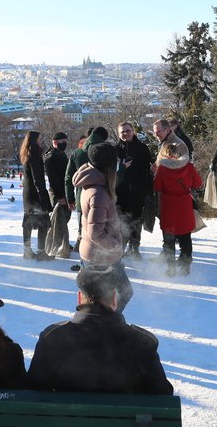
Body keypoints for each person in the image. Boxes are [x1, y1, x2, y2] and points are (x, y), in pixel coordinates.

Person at [26, 265, 172, 395]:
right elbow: (162, 396)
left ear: (79, 298)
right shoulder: (142, 342)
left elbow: (33, 392)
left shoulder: (52, 338)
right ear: (114, 299)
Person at [72, 141, 133, 312]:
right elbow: (95, 232)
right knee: (116, 297)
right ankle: (108, 327)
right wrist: (116, 247)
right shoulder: (98, 193)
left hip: (94, 254)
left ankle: (101, 327)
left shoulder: (92, 181)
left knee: (95, 303)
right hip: (101, 257)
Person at [153, 141, 202, 276]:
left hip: (168, 206)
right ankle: (185, 267)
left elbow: (157, 186)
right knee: (185, 238)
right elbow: (198, 183)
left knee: (169, 240)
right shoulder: (189, 167)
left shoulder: (162, 169)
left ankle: (171, 269)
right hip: (184, 206)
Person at [64, 127, 109, 252]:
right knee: (100, 231)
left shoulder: (77, 153)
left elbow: (68, 178)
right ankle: (99, 261)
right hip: (102, 197)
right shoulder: (106, 152)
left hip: (81, 199)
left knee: (83, 229)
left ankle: (83, 260)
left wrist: (70, 198)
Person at [115, 122, 153, 259]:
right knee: (121, 223)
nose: (125, 133)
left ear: (133, 131)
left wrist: (148, 190)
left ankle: (134, 248)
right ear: (118, 134)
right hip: (120, 193)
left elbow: (149, 170)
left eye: (128, 130)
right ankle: (121, 248)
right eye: (122, 132)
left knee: (137, 221)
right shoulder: (115, 150)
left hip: (138, 192)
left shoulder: (142, 149)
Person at [20, 130, 53, 260]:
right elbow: (38, 179)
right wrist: (44, 198)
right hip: (36, 195)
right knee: (43, 222)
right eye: (39, 139)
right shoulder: (34, 154)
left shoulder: (26, 153)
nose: (41, 141)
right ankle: (41, 252)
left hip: (27, 194)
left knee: (28, 222)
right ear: (33, 141)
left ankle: (27, 251)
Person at [43, 131, 71, 258]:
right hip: (57, 193)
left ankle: (61, 242)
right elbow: (53, 179)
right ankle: (56, 245)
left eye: (66, 141)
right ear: (55, 142)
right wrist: (60, 197)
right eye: (63, 142)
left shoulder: (60, 154)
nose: (65, 144)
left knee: (64, 218)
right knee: (58, 220)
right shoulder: (51, 156)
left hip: (63, 191)